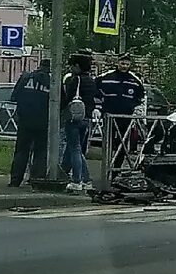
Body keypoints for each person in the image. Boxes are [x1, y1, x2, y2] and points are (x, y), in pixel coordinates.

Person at [95, 53, 145, 168]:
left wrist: (137, 110)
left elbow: (141, 98)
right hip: (109, 115)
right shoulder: (105, 78)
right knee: (108, 143)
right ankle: (106, 168)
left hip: (126, 117)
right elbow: (95, 92)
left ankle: (116, 169)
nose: (124, 66)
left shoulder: (135, 81)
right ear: (118, 63)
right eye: (122, 63)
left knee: (122, 144)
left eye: (127, 64)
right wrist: (98, 108)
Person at [8, 59, 51, 187]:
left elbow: (14, 96)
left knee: (21, 150)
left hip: (25, 120)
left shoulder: (26, 77)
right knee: (41, 152)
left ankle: (15, 180)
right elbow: (62, 101)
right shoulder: (53, 82)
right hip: (43, 121)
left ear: (39, 66)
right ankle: (37, 180)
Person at [61, 53, 99, 192]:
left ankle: (77, 180)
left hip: (74, 118)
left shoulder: (75, 80)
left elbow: (67, 98)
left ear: (77, 66)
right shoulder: (91, 81)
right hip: (87, 118)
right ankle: (85, 179)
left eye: (72, 65)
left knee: (75, 149)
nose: (70, 68)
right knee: (79, 149)